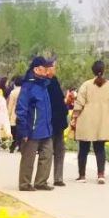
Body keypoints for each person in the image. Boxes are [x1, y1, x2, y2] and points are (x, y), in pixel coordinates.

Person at [71, 60, 109, 184]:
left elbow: (79, 102)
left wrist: (74, 117)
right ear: (103, 70)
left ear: (92, 71)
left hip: (86, 120)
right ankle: (101, 175)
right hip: (102, 120)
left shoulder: (86, 85)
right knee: (100, 148)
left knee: (83, 149)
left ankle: (82, 176)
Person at [16, 57, 54, 191]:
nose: (46, 72)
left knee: (47, 155)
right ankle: (25, 183)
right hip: (31, 129)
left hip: (46, 129)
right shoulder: (28, 86)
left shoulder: (44, 86)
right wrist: (23, 130)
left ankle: (41, 182)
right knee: (28, 158)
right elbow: (21, 110)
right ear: (36, 69)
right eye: (44, 69)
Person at [46, 58, 69, 187]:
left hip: (58, 123)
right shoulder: (43, 83)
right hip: (49, 123)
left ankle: (58, 178)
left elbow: (60, 102)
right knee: (48, 151)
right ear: (48, 68)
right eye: (53, 67)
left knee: (60, 150)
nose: (55, 69)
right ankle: (43, 178)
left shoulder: (55, 81)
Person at [7, 76, 23, 153]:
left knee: (14, 132)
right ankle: (20, 146)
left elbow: (10, 105)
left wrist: (8, 116)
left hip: (14, 113)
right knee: (21, 132)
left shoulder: (13, 92)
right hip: (23, 114)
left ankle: (12, 147)